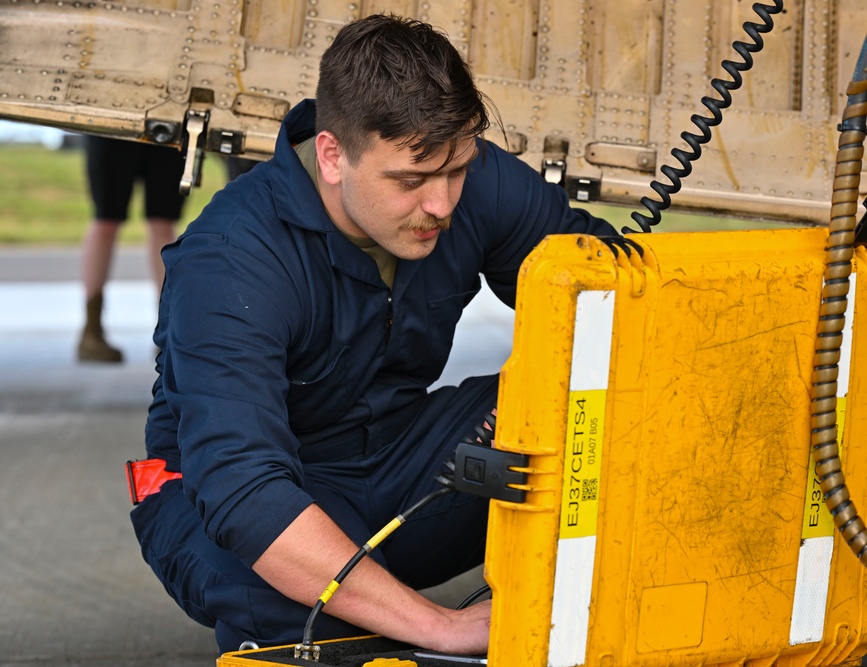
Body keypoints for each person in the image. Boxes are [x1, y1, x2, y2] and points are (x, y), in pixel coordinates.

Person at [129, 13, 617, 655]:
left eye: (457, 169)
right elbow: (242, 488)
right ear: (333, 156)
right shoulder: (232, 259)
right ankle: (383, 613)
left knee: (596, 414)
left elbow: (608, 294)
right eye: (410, 182)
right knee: (294, 609)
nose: (441, 203)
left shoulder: (464, 175)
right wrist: (443, 628)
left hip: (399, 461)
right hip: (245, 491)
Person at [77, 135, 186, 362]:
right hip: (114, 126)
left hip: (169, 123)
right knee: (106, 220)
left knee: (162, 223)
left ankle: (168, 330)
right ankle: (91, 330)